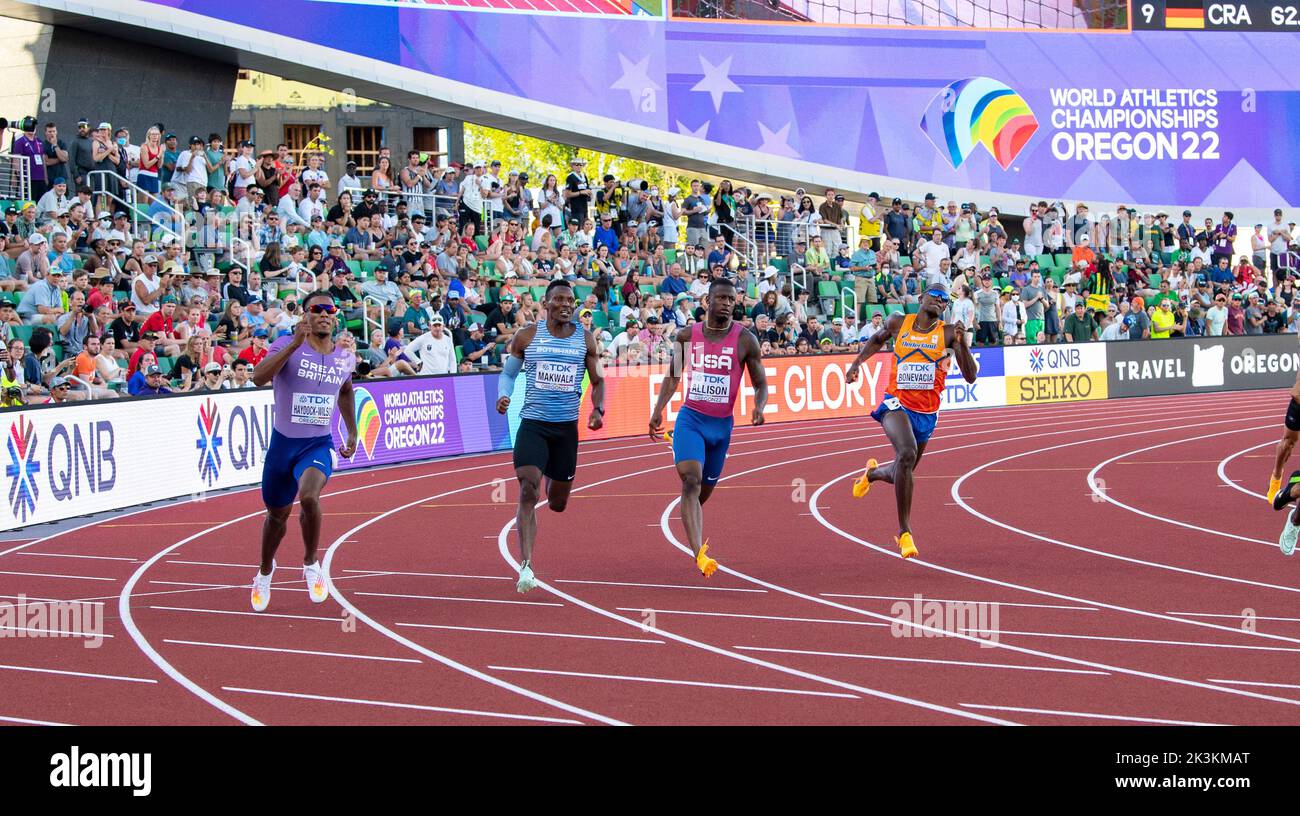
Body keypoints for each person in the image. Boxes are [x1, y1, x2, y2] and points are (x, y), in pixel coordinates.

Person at [845, 284, 978, 558]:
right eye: (935, 296)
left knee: (899, 473)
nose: (940, 302)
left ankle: (871, 473)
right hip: (896, 402)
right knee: (906, 454)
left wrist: (962, 343)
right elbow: (877, 339)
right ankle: (905, 533)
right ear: (921, 298)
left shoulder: (949, 332)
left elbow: (971, 376)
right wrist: (857, 363)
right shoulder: (898, 321)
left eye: (945, 299)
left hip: (927, 413)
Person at [648, 278, 768, 577]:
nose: (728, 303)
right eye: (722, 298)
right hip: (691, 419)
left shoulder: (746, 340)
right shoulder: (688, 335)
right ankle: (699, 553)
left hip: (721, 428)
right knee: (690, 479)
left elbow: (761, 382)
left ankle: (690, 511)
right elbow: (673, 376)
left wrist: (759, 406)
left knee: (702, 492)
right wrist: (658, 409)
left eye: (732, 299)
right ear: (708, 301)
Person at [248, 292, 359, 613]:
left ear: (335, 317)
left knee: (310, 497)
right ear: (305, 316)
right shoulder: (284, 345)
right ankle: (265, 571)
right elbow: (257, 378)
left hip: (317, 444)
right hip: (283, 446)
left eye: (330, 309)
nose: (324, 314)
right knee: (276, 516)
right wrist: (295, 343)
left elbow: (347, 390)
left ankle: (311, 563)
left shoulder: (343, 357)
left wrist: (351, 431)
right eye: (316, 309)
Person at [495, 280, 605, 593]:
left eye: (571, 300)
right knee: (528, 489)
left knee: (557, 502)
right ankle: (526, 565)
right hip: (532, 424)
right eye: (559, 300)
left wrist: (598, 410)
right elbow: (508, 374)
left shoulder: (585, 340)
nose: (567, 305)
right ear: (547, 303)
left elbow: (598, 381)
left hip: (565, 430)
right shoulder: (527, 336)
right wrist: (504, 395)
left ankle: (551, 476)